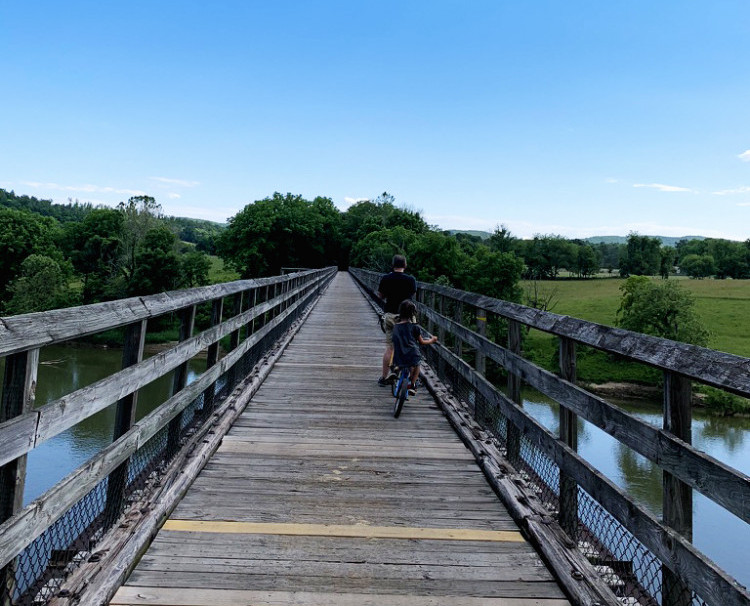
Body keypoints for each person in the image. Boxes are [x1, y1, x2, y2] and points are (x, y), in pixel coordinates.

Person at [377, 254, 417, 386]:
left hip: (390, 316)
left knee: (390, 347)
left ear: (392, 265)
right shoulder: (410, 280)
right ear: (405, 265)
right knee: (409, 347)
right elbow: (411, 296)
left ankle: (384, 378)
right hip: (406, 317)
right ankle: (412, 381)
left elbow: (381, 296)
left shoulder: (386, 278)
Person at [391, 299, 438, 395]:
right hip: (412, 353)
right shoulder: (415, 327)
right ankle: (412, 384)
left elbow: (394, 340)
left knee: (396, 352)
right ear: (412, 314)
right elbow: (422, 342)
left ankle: (396, 367)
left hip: (399, 354)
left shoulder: (395, 327)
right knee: (417, 363)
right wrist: (432, 340)